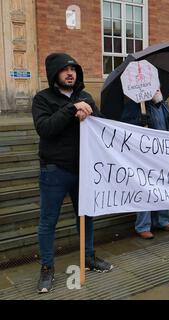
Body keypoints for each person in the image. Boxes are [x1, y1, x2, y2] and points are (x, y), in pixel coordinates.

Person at [32, 53, 113, 294]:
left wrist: (89, 114)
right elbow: (45, 129)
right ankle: (47, 268)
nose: (70, 73)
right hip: (54, 171)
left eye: (73, 69)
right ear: (54, 73)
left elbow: (101, 127)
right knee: (48, 222)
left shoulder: (86, 96)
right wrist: (70, 110)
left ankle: (88, 257)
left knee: (86, 216)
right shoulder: (42, 99)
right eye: (64, 69)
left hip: (83, 170)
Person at [120, 89, 169, 240]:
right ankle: (143, 226)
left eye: (158, 86)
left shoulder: (163, 104)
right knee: (145, 188)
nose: (157, 90)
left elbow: (168, 127)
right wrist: (138, 121)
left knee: (163, 187)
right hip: (144, 156)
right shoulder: (135, 105)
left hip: (162, 153)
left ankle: (162, 220)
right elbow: (125, 126)